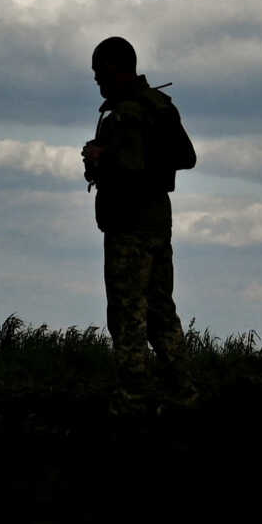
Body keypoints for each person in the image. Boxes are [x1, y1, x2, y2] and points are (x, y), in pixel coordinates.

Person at [81, 35, 197, 408]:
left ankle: (134, 398)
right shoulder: (159, 106)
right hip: (157, 224)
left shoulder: (129, 113)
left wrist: (104, 157)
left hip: (129, 226)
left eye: (101, 74)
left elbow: (132, 166)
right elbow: (185, 156)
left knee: (128, 315)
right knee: (161, 311)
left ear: (118, 69)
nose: (98, 82)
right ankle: (182, 392)